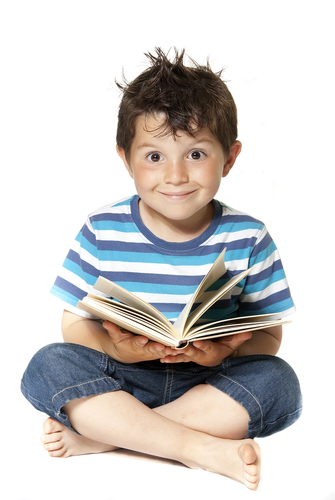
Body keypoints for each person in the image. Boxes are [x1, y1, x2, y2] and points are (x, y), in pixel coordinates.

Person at [21, 48, 302, 491]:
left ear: (229, 158)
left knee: (279, 382)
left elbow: (268, 337)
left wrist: (222, 352)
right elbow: (74, 325)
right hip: (123, 379)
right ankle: (200, 449)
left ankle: (107, 437)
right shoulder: (102, 230)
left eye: (195, 154)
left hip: (209, 383)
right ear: (125, 158)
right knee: (48, 365)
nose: (174, 175)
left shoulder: (249, 238)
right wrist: (122, 352)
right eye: (154, 157)